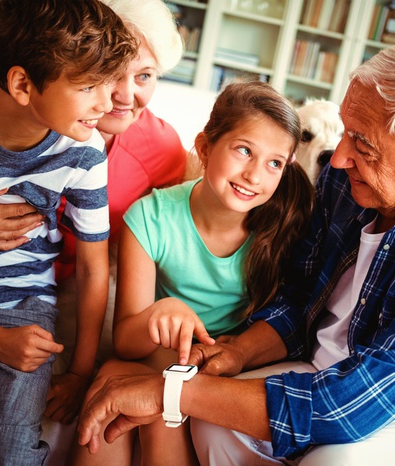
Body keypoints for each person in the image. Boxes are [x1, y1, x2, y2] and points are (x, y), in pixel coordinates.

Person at [77, 39, 395, 466]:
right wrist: (236, 353)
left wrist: (168, 391)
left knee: (333, 463)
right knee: (213, 420)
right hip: (328, 372)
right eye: (345, 132)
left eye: (362, 144)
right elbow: (300, 299)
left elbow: (357, 403)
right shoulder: (351, 182)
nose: (336, 158)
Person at [0, 0, 186, 463]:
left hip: (31, 296)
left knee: (6, 439)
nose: (118, 97)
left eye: (145, 76)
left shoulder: (139, 150)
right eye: (105, 77)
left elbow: (117, 261)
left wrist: (81, 370)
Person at [72, 80, 314, 466]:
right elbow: (126, 344)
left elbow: (282, 326)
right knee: (113, 378)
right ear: (204, 148)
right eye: (243, 150)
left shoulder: (283, 230)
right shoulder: (150, 217)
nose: (254, 175)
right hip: (159, 358)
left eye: (274, 163)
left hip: (225, 369)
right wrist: (159, 312)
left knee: (159, 413)